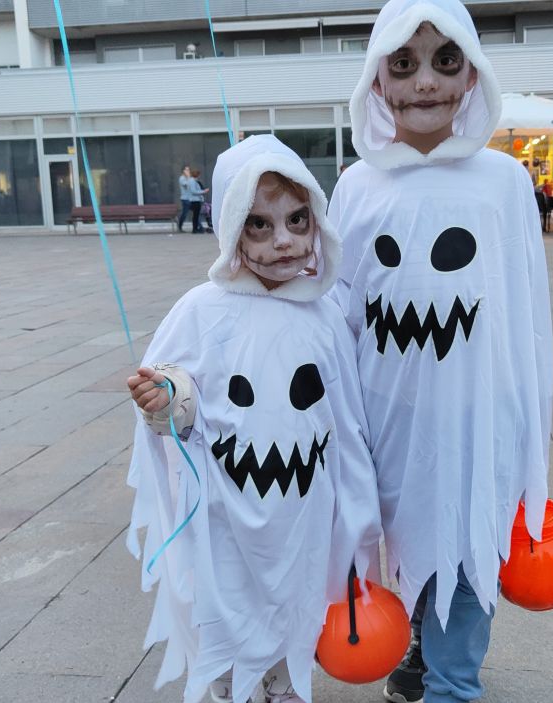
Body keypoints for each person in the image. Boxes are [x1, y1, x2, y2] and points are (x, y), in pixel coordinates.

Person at [328, 2, 553, 701]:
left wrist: (525, 420)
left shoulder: (504, 181)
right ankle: (424, 647)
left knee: (467, 532)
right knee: (407, 535)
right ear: (378, 82)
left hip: (476, 407)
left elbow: (526, 308)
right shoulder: (356, 186)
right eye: (405, 64)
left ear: (470, 78)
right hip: (387, 410)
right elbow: (338, 309)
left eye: (443, 61)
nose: (424, 81)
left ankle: (454, 684)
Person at [125, 135, 382, 703]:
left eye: (297, 219)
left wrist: (361, 523)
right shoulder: (201, 310)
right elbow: (181, 403)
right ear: (230, 229)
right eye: (258, 224)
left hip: (303, 513)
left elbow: (346, 427)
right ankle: (228, 686)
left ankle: (286, 684)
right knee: (228, 617)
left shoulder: (326, 315)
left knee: (297, 611)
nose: (283, 240)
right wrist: (168, 403)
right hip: (226, 512)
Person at [185, 168, 211, 233]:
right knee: (195, 216)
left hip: (196, 200)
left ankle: (196, 228)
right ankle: (195, 229)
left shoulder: (193, 181)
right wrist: (203, 191)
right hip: (195, 200)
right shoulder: (192, 181)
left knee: (196, 216)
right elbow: (193, 191)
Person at [177, 165, 193, 230]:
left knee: (196, 212)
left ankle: (199, 226)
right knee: (185, 213)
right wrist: (189, 177)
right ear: (183, 171)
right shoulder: (182, 178)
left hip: (191, 198)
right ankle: (180, 226)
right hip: (185, 199)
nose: (188, 171)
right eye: (186, 170)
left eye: (188, 170)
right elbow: (187, 185)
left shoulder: (190, 178)